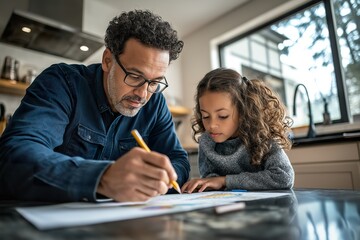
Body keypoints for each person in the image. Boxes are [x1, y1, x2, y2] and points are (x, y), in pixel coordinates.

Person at [0, 10, 190, 202]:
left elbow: (179, 161)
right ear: (108, 60)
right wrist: (103, 178)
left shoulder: (155, 103)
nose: (142, 94)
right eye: (134, 76)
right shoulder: (62, 83)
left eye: (155, 82)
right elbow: (15, 154)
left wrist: (158, 178)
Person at [181, 68, 294, 193]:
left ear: (244, 112)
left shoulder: (262, 136)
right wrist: (205, 184)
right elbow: (211, 179)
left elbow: (284, 177)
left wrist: (225, 181)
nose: (212, 125)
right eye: (206, 116)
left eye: (223, 116)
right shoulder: (207, 142)